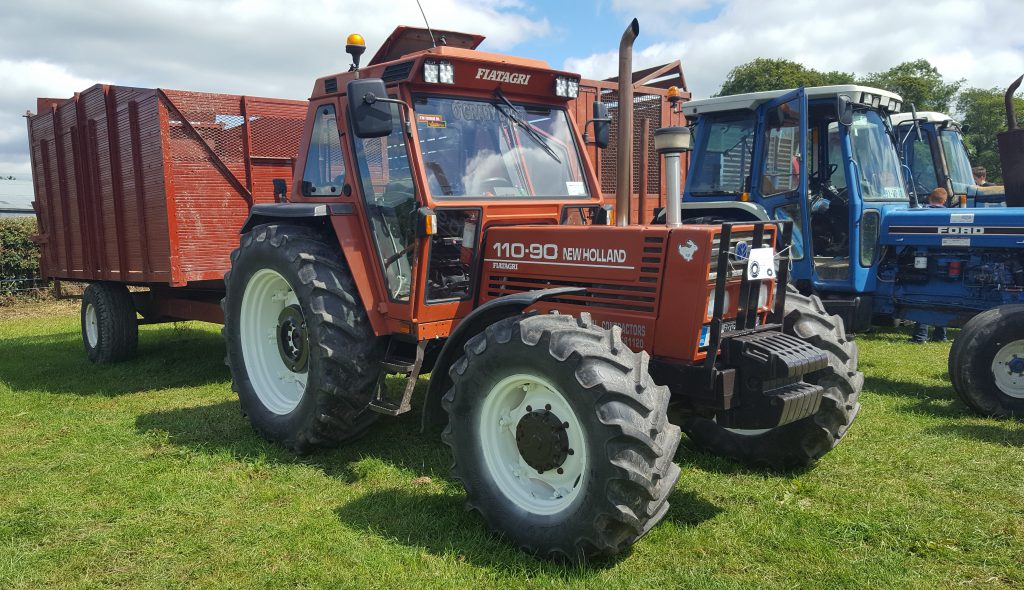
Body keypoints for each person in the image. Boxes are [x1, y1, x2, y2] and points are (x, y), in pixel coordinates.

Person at [910, 188, 949, 343]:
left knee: (923, 296)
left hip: (924, 259)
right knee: (942, 297)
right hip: (945, 261)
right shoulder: (950, 214)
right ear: (944, 201)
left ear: (929, 198)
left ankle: (920, 336)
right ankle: (940, 335)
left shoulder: (921, 212)